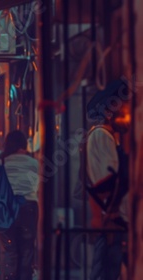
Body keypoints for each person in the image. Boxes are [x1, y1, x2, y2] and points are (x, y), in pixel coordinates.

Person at [85, 79, 130, 280]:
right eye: (123, 108)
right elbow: (106, 180)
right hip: (109, 216)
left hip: (114, 216)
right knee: (104, 270)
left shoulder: (109, 136)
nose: (126, 114)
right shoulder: (101, 136)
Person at [0, 130, 39, 280]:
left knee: (9, 250)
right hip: (28, 207)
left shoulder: (1, 161)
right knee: (26, 251)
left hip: (6, 208)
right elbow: (35, 186)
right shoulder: (34, 163)